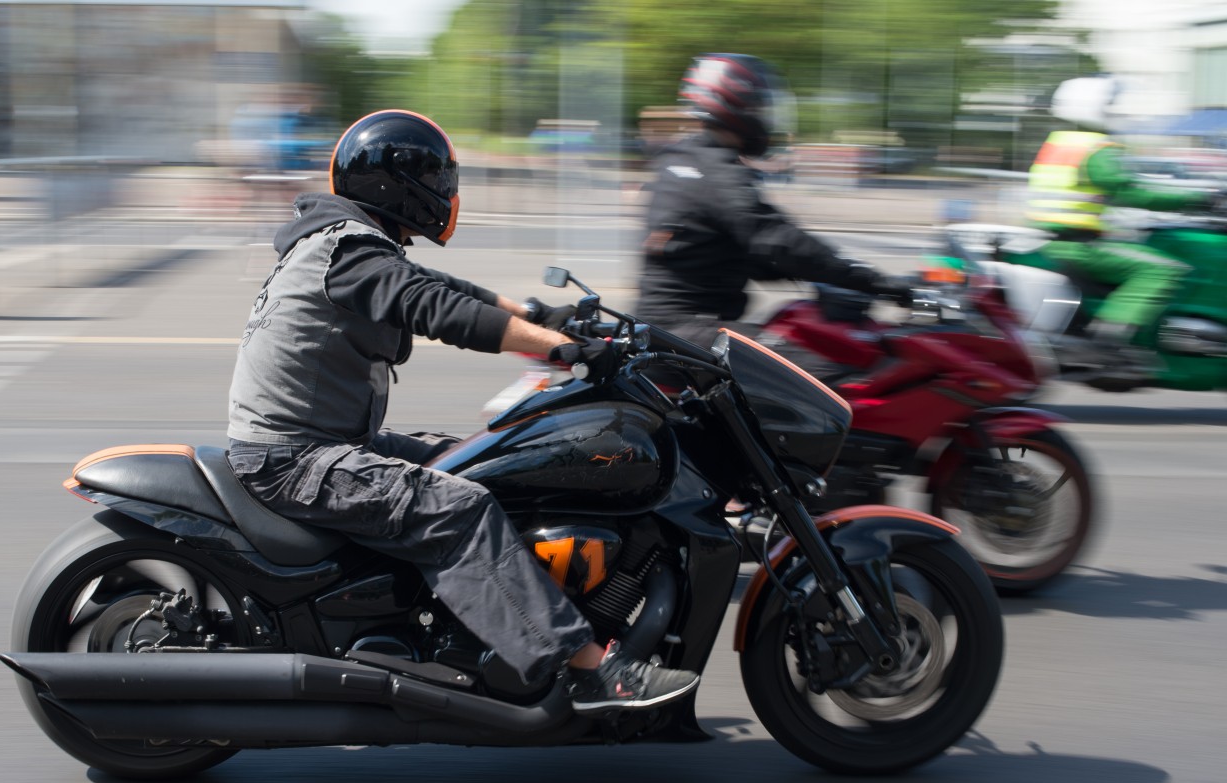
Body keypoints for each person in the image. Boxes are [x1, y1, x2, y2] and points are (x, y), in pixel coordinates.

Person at [225, 109, 699, 715]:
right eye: (438, 177)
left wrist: (540, 314)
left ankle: (474, 623)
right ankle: (589, 670)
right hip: (296, 459)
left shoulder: (346, 243)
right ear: (397, 183)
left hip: (319, 444)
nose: (447, 191)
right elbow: (436, 308)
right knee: (463, 507)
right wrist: (556, 348)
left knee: (478, 461)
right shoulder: (349, 254)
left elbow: (439, 286)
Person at [634, 53, 910, 384]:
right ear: (735, 104)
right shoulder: (719, 174)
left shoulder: (680, 160)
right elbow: (778, 240)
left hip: (670, 332)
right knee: (832, 378)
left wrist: (827, 278)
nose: (765, 118)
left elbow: (740, 252)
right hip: (690, 335)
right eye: (759, 107)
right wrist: (878, 282)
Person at [1019, 75, 1218, 383]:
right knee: (1162, 270)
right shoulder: (1098, 148)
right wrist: (1201, 199)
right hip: (1082, 245)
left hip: (1056, 239)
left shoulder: (1060, 142)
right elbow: (1131, 192)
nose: (1120, 110)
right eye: (1114, 104)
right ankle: (1109, 342)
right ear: (1098, 107)